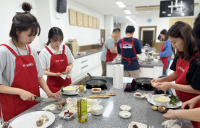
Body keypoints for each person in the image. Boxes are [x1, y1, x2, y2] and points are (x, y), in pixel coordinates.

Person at [0, 2, 61, 122]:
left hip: (33, 103)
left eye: (35, 35)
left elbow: (39, 77)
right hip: (13, 106)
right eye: (29, 35)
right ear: (17, 31)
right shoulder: (4, 52)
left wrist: (49, 93)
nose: (32, 39)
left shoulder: (32, 51)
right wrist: (20, 91)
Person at [151, 21, 200, 128]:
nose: (173, 46)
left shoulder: (197, 58)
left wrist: (170, 85)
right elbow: (177, 73)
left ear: (186, 38)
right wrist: (163, 80)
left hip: (194, 104)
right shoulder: (181, 52)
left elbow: (197, 89)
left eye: (175, 42)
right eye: (171, 42)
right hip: (179, 99)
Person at [39, 27, 74, 93]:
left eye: (60, 41)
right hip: (53, 85)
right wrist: (55, 74)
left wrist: (70, 67)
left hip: (67, 83)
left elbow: (71, 62)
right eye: (55, 41)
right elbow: (42, 71)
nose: (58, 44)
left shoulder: (65, 48)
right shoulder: (44, 52)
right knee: (56, 103)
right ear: (50, 39)